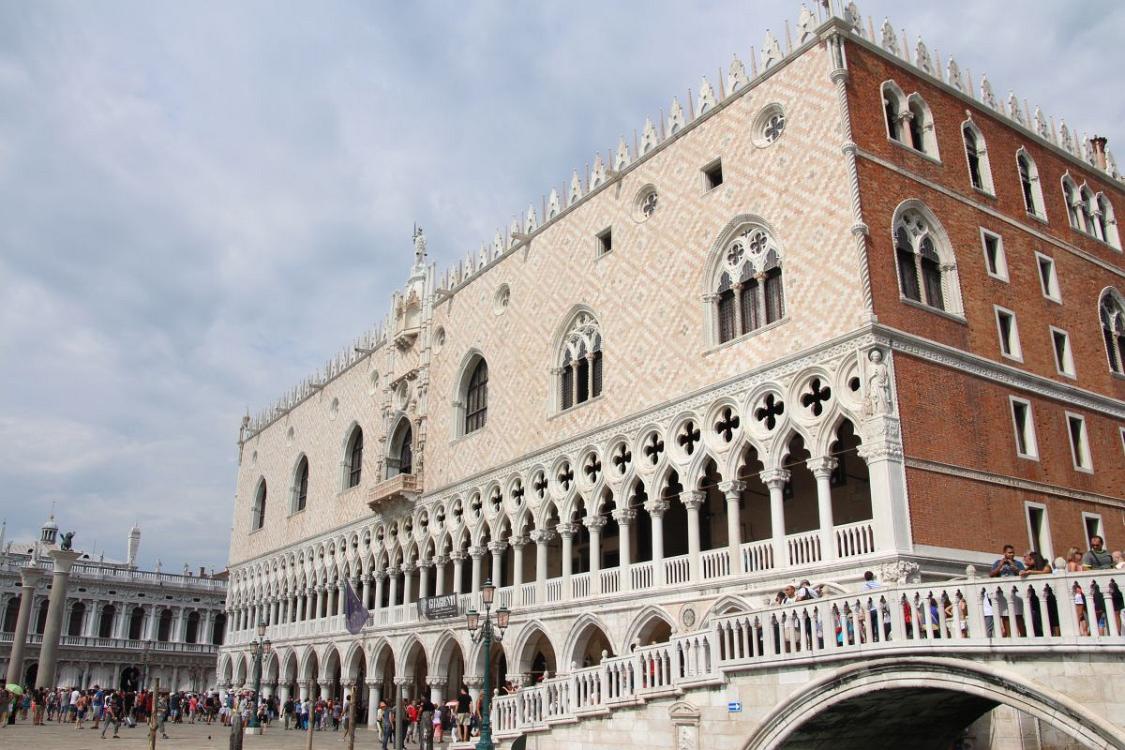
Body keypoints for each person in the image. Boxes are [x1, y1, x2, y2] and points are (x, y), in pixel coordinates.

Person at [989, 544, 1025, 637]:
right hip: (1002, 594)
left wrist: (1013, 565)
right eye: (1009, 553)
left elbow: (1022, 573)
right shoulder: (998, 562)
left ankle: (1023, 635)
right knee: (1005, 616)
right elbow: (991, 574)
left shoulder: (1018, 563)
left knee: (1018, 615)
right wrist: (1000, 565)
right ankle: (1009, 635)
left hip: (1015, 594)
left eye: (1013, 553)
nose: (1012, 554)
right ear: (1004, 553)